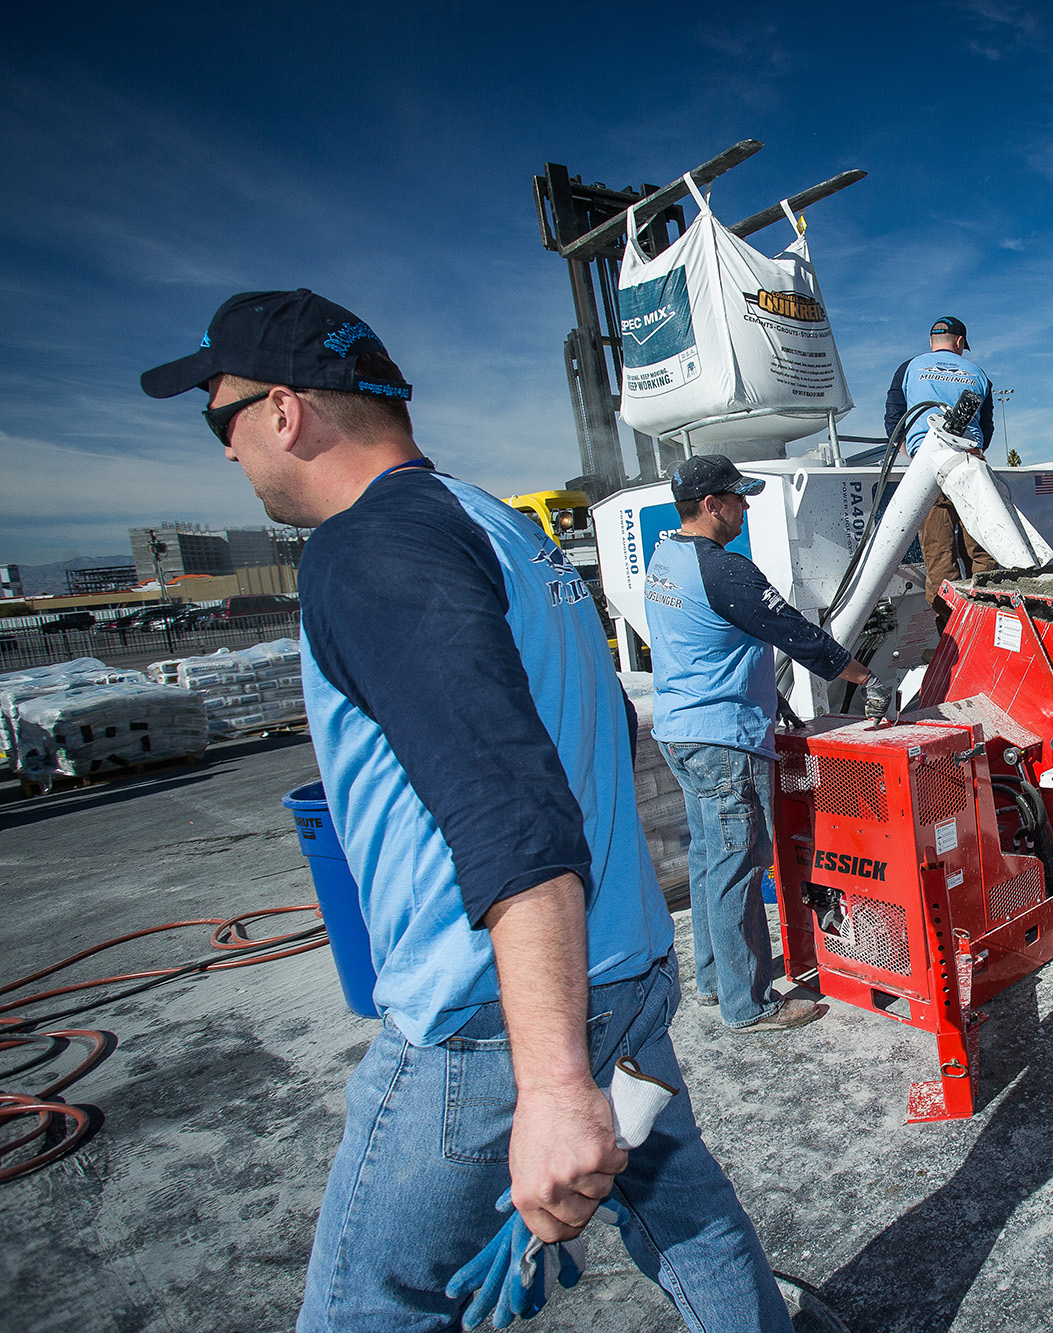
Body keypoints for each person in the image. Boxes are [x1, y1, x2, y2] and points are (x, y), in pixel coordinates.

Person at [142, 290, 795, 1332]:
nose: (224, 451)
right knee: (685, 1211)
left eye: (219, 416)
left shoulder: (370, 549)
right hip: (618, 964)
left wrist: (548, 1088)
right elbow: (590, 747)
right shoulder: (499, 527)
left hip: (492, 1012)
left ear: (283, 412)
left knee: (375, 1304)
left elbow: (510, 812)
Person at [646, 454, 873, 1032]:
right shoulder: (726, 571)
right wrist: (861, 676)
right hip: (724, 739)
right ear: (711, 505)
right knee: (738, 866)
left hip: (679, 729)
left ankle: (715, 980)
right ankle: (748, 1005)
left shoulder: (665, 559)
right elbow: (795, 632)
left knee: (707, 861)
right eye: (738, 499)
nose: (745, 508)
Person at [884, 315, 998, 628]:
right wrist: (974, 451)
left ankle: (951, 633)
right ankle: (987, 623)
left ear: (932, 342)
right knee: (983, 549)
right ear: (960, 342)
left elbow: (894, 419)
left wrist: (913, 453)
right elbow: (986, 428)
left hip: (928, 466)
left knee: (939, 554)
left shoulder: (910, 367)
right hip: (970, 463)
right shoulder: (977, 372)